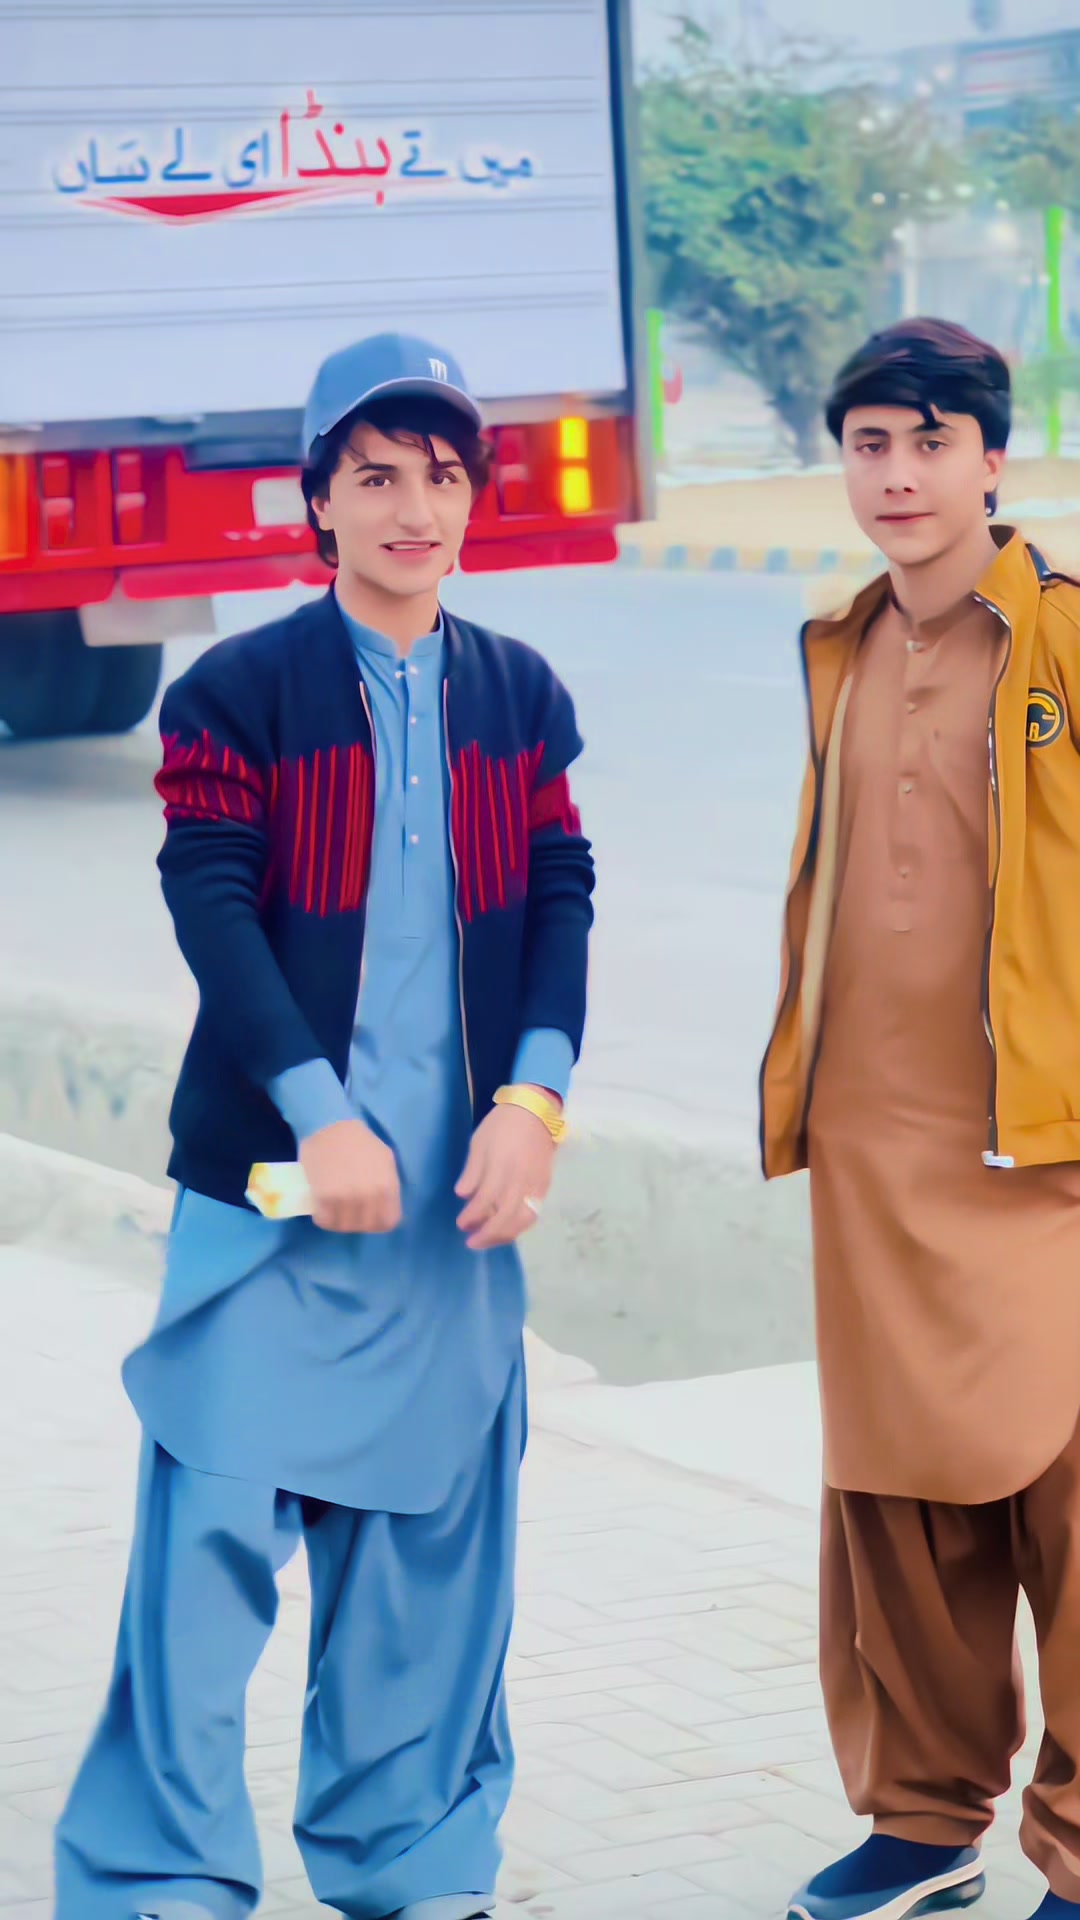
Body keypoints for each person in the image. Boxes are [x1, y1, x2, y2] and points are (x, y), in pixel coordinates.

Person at [53, 332, 594, 1920]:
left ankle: (415, 1867)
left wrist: (534, 1102)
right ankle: (159, 1880)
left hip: (447, 1226)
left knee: (428, 1572)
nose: (415, 508)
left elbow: (561, 896)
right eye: (376, 477)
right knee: (204, 1556)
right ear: (320, 502)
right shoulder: (239, 691)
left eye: (442, 476)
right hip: (274, 1210)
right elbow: (212, 901)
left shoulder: (520, 695)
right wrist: (319, 1116)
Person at [760, 316, 1080, 1920]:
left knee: (1069, 1501)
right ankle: (922, 1817)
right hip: (875, 1147)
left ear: (991, 458)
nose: (897, 475)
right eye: (870, 445)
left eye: (930, 443)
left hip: (1046, 1149)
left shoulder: (1065, 633)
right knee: (894, 1502)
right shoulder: (845, 640)